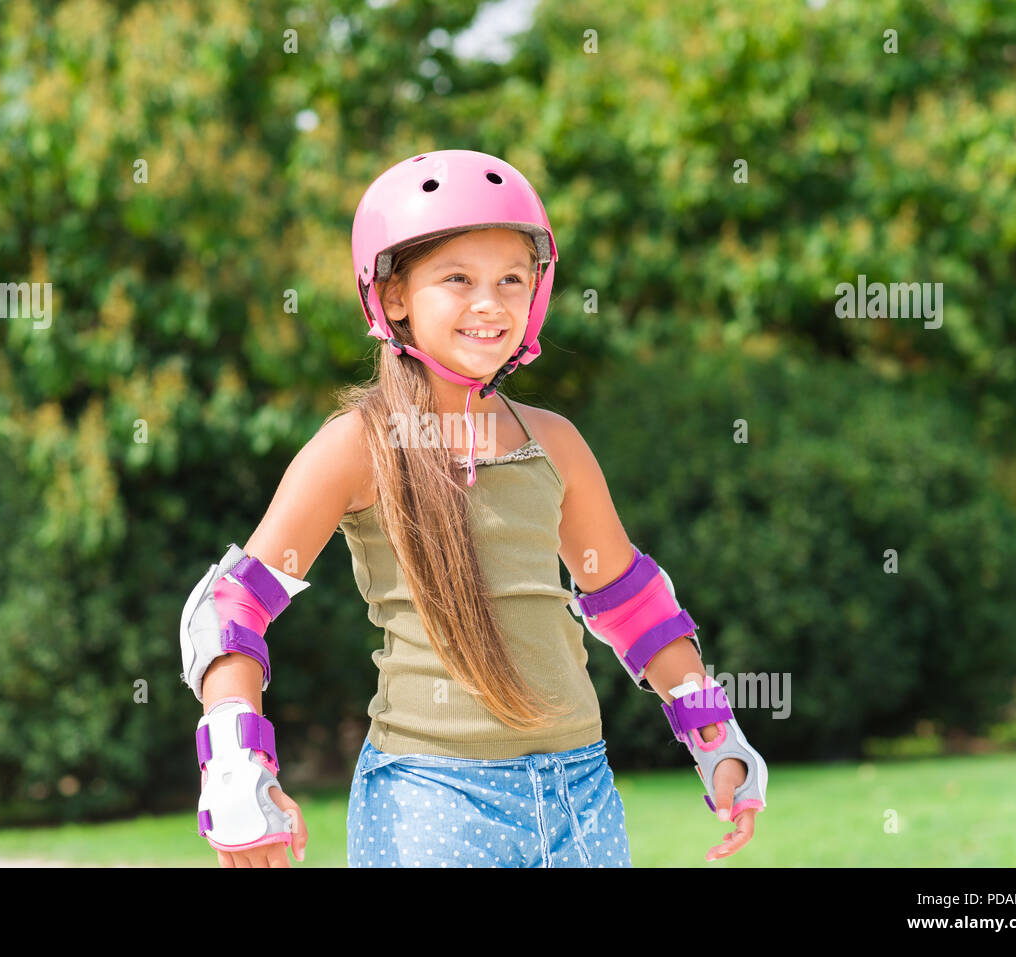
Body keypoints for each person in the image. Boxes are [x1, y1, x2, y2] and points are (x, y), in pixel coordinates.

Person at [178, 149, 767, 868]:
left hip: (579, 786)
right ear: (392, 295)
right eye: (458, 279)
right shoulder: (360, 446)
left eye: (511, 280)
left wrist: (717, 739)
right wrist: (238, 768)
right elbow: (230, 608)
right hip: (432, 795)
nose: (490, 303)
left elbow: (633, 605)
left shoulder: (553, 442)